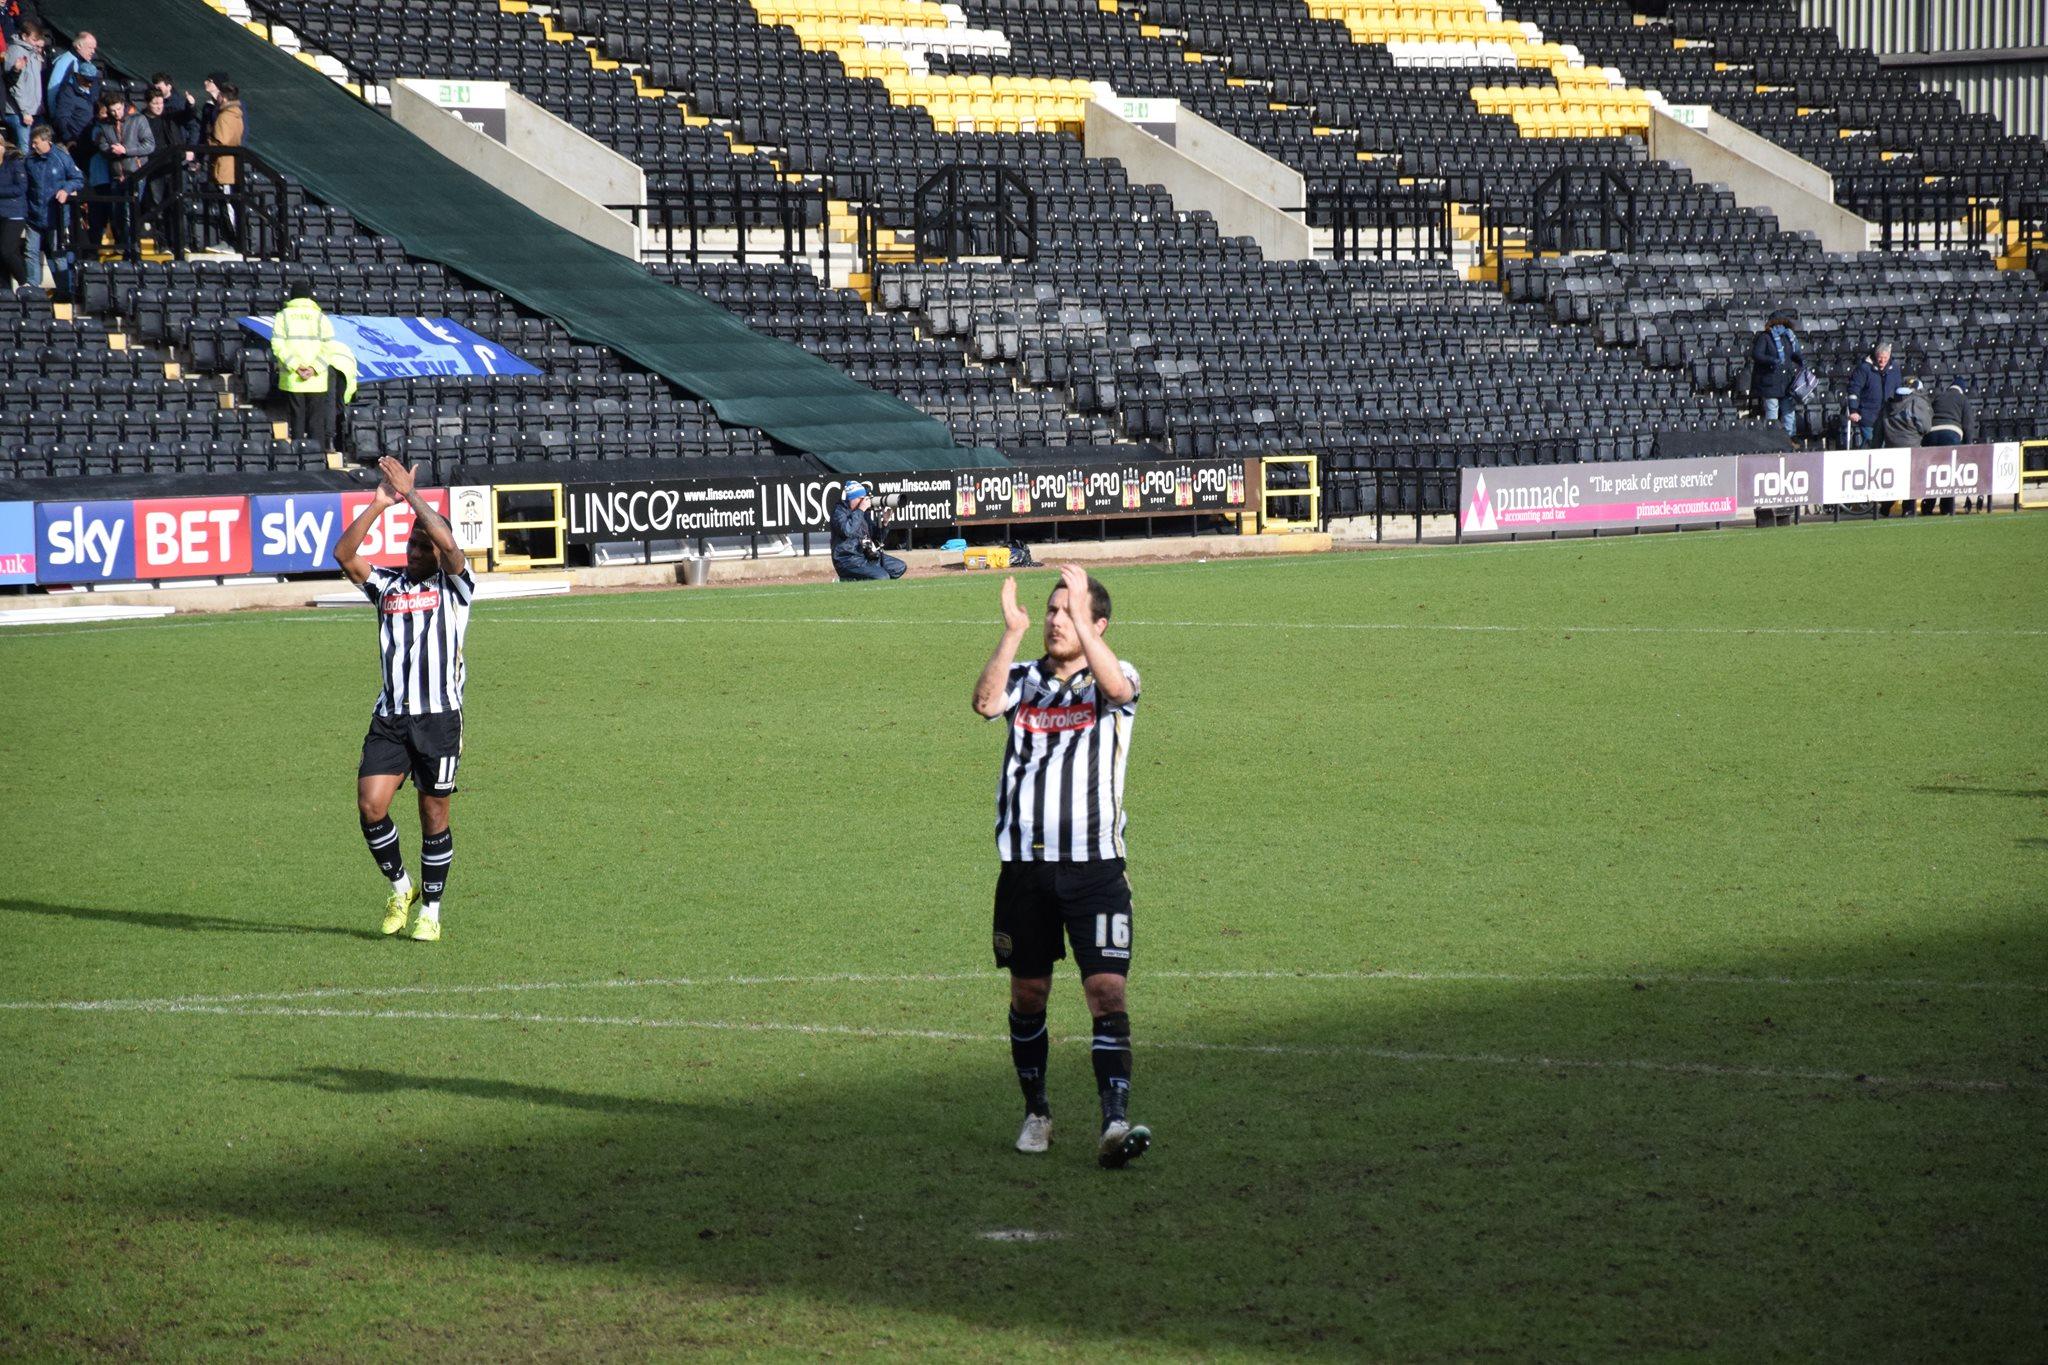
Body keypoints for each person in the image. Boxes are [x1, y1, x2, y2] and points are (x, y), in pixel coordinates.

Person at [971, 565, 1151, 1169]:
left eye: (1066, 611)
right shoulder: (1023, 680)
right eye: (1050, 610)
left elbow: (1120, 692)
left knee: (1106, 990)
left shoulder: (1115, 678)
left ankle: (1115, 1119)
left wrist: (1083, 620)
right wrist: (1012, 632)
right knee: (1029, 993)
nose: (1054, 620)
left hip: (1095, 867)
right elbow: (983, 703)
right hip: (1024, 869)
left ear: (1097, 624)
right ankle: (1037, 1113)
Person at [334, 456, 474, 943]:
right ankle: (401, 888)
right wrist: (378, 503)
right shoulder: (387, 585)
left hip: (438, 720)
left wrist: (414, 497)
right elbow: (345, 555)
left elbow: (452, 547)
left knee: (433, 814)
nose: (415, 550)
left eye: (423, 544)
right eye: (411, 542)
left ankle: (431, 912)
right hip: (391, 717)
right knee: (370, 805)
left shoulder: (455, 585)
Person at [271, 280, 338, 448]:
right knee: (316, 421)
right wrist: (314, 368)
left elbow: (277, 346)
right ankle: (318, 457)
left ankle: (299, 455)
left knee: (297, 420)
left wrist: (296, 366)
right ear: (309, 297)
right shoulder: (321, 317)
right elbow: (329, 347)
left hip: (294, 378)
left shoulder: (283, 316)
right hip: (317, 379)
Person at [88, 91, 153, 257]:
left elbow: (150, 145)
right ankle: (125, 246)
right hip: (117, 175)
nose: (117, 113)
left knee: (129, 212)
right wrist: (111, 151)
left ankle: (132, 250)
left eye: (118, 109)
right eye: (113, 110)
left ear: (123, 106)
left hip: (136, 173)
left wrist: (126, 150)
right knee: (117, 214)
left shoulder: (138, 120)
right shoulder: (105, 126)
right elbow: (102, 147)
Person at [23, 123, 80, 298]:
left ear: (47, 141)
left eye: (36, 142)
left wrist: (66, 189)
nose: (33, 146)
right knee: (30, 251)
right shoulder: (29, 161)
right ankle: (33, 287)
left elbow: (77, 178)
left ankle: (64, 290)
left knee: (58, 254)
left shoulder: (61, 158)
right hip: (34, 214)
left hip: (56, 216)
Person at [1923, 376, 1978, 514]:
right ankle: (1946, 508)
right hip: (1951, 434)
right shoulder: (1963, 399)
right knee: (1948, 472)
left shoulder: (1939, 396)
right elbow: (1968, 425)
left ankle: (1927, 506)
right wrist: (1967, 445)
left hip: (1931, 433)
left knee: (1933, 471)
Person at [830, 480, 906, 581]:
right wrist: (860, 510)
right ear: (851, 498)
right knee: (882, 577)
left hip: (866, 555)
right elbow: (847, 530)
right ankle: (847, 579)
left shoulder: (862, 513)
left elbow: (877, 539)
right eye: (860, 498)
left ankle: (866, 576)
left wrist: (885, 523)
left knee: (899, 567)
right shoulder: (839, 512)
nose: (864, 502)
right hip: (847, 559)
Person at [1750, 310, 1802, 438]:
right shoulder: (1765, 337)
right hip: (1770, 381)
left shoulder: (1789, 337)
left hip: (1786, 382)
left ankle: (1789, 438)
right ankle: (1772, 438)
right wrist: (1772, 360)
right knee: (1772, 412)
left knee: (1789, 413)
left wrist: (1802, 361)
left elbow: (1795, 354)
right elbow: (1757, 354)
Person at [203, 80, 242, 247]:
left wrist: (209, 140)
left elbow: (222, 142)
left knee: (226, 205)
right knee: (227, 203)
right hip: (231, 165)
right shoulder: (237, 114)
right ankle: (231, 240)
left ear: (224, 98)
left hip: (223, 167)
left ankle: (232, 241)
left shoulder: (224, 116)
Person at [1843, 339, 1901, 450]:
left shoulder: (1895, 369)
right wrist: (1854, 410)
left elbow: (1898, 389)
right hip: (1868, 415)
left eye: (1885, 358)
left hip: (1888, 417)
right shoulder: (1864, 369)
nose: (1882, 360)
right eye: (1880, 357)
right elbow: (1854, 389)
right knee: (1870, 444)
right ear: (1875, 355)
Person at [2, 20, 44, 152]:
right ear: (24, 36)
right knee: (24, 148)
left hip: (32, 110)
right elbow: (16, 86)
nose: (36, 43)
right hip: (18, 112)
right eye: (33, 39)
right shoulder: (16, 51)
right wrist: (24, 112)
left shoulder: (32, 52)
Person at [0, 138, 26, 288]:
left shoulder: (14, 162)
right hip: (1, 214)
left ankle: (24, 283)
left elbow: (20, 188)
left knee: (7, 250)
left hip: (14, 213)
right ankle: (4, 291)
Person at [43, 29, 94, 106]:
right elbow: (53, 89)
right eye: (90, 48)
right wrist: (53, 114)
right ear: (79, 46)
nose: (93, 51)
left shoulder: (85, 64)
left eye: (94, 48)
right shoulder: (65, 62)